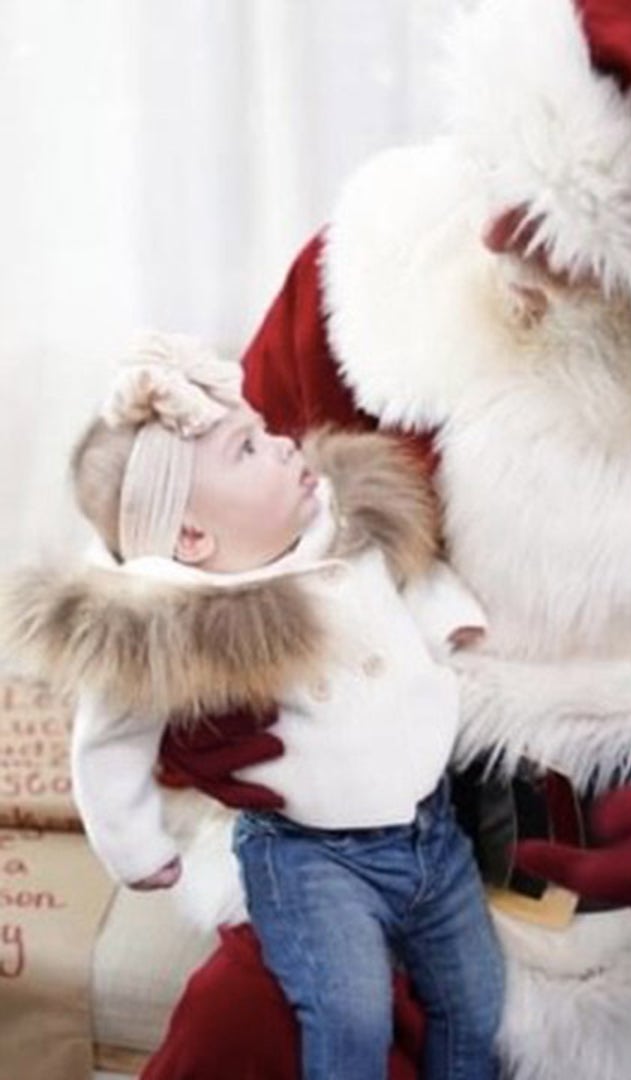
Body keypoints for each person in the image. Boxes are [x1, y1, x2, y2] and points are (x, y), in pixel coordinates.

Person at [132, 2, 631, 1078]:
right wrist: (201, 680)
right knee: (243, 1030)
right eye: (499, 171)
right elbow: (197, 547)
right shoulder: (372, 271)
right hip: (369, 850)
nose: (499, 236)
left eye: (566, 223)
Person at [7, 336, 503, 1079]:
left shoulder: (339, 524)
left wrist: (448, 618)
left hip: (434, 832)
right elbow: (109, 741)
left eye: (264, 429)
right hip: (311, 857)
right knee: (347, 1013)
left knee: (476, 1001)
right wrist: (136, 847)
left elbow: (405, 577)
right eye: (247, 450)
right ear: (194, 537)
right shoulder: (173, 625)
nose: (280, 445)